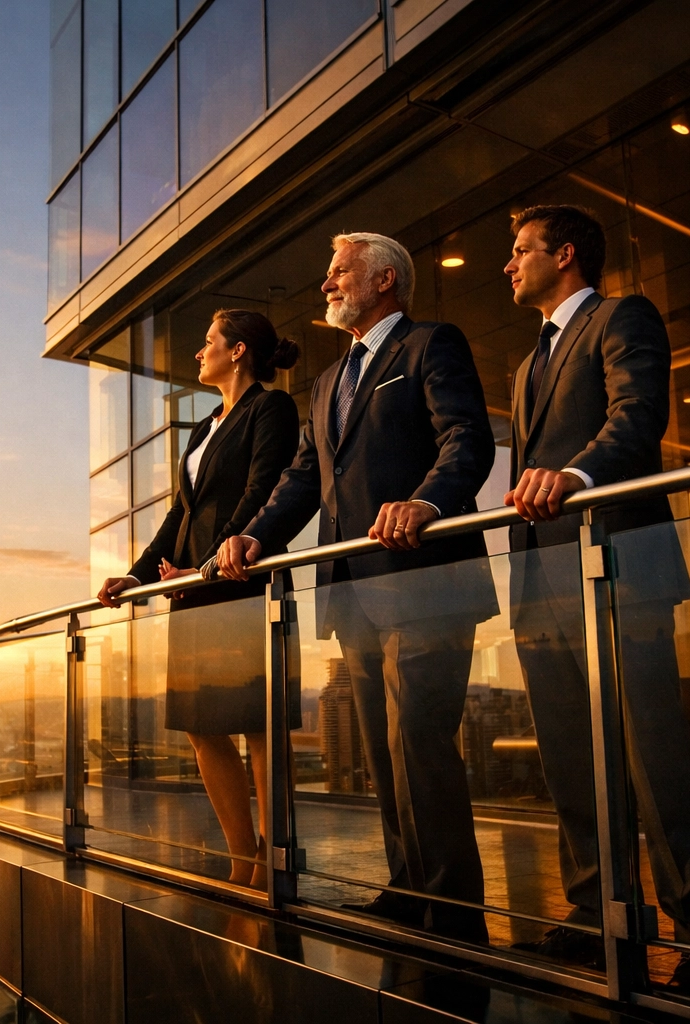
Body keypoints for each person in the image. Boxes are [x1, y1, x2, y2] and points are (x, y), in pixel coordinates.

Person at [217, 232, 497, 942]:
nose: (326, 285)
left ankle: (453, 916)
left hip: (426, 578)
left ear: (383, 281)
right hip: (352, 590)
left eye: (338, 271)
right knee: (380, 749)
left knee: (420, 746)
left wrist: (428, 501)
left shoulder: (432, 345)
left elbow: (466, 437)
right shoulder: (324, 382)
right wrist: (256, 535)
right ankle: (409, 892)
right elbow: (303, 479)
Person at [500, 204, 690, 999]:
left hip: (619, 567)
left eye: (521, 251)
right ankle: (595, 913)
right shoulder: (527, 359)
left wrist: (576, 476)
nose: (509, 264)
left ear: (564, 254)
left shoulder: (620, 317)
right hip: (543, 580)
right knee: (571, 764)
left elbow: (637, 417)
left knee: (654, 762)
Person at [98, 309, 302, 889]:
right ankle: (246, 858)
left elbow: (264, 491)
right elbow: (179, 513)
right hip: (189, 585)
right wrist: (139, 576)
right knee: (201, 725)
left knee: (257, 723)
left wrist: (211, 563)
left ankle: (277, 860)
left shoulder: (272, 408)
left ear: (237, 351)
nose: (198, 353)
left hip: (238, 580)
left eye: (207, 342)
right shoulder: (203, 425)